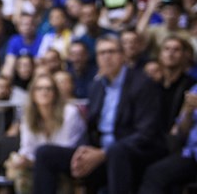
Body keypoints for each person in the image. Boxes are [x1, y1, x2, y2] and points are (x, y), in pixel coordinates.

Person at [32, 35, 164, 194]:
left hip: (133, 153)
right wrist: (85, 151)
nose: (106, 57)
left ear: (122, 55)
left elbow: (146, 133)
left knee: (116, 152)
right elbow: (92, 128)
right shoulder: (96, 86)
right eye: (102, 53)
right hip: (100, 152)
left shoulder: (142, 83)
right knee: (45, 153)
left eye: (111, 52)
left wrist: (104, 153)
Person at [4, 72, 86, 194]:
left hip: (74, 159)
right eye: (39, 88)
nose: (44, 92)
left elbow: (65, 146)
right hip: (41, 163)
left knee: (44, 153)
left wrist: (33, 161)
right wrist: (23, 160)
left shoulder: (70, 113)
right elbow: (27, 148)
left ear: (55, 93)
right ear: (32, 93)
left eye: (49, 88)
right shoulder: (27, 117)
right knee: (23, 173)